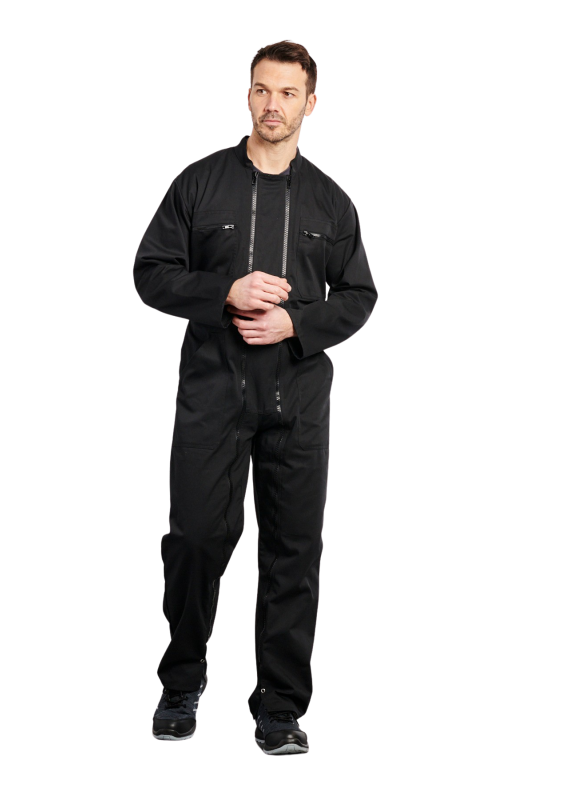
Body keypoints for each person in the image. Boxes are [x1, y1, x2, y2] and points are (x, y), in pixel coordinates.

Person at [134, 40, 378, 755]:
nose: (274, 105)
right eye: (262, 90)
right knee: (194, 541)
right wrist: (224, 292)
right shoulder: (198, 182)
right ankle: (181, 683)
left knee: (294, 554)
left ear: (310, 104)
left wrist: (297, 323)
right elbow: (150, 272)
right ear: (248, 96)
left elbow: (360, 295)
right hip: (212, 394)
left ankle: (280, 705)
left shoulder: (331, 200)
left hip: (298, 402)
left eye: (288, 93)